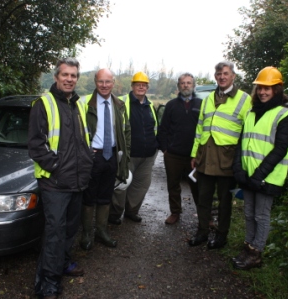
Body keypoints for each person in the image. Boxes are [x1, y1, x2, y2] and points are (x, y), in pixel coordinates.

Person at [28, 57, 93, 299]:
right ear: (56, 77)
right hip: (54, 182)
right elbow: (36, 145)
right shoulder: (42, 104)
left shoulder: (78, 104)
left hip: (76, 180)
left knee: (69, 228)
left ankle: (63, 264)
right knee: (54, 233)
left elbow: (82, 139)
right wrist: (56, 166)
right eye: (65, 75)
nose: (69, 79)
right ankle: (48, 283)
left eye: (73, 75)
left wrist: (86, 160)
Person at [232, 67, 288, 270]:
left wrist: (259, 174)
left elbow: (280, 149)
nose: (262, 92)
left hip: (267, 177)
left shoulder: (284, 115)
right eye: (260, 88)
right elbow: (242, 143)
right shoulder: (251, 113)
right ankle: (248, 248)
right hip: (249, 175)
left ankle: (256, 254)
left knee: (261, 216)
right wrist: (239, 170)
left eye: (268, 88)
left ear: (277, 89)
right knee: (249, 214)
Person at [189, 61, 252, 249]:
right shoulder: (208, 99)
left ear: (233, 76)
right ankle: (202, 233)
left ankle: (221, 237)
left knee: (225, 202)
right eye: (219, 74)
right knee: (203, 199)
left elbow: (247, 132)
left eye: (225, 73)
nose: (222, 77)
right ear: (215, 77)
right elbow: (200, 127)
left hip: (227, 159)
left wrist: (243, 160)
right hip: (205, 157)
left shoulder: (244, 99)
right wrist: (194, 154)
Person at [80, 68, 130, 250]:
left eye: (108, 81)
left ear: (113, 83)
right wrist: (85, 151)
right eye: (101, 81)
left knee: (105, 196)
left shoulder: (119, 104)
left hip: (112, 156)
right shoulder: (85, 103)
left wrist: (125, 155)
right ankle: (86, 235)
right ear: (95, 82)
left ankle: (101, 231)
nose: (104, 85)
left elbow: (126, 131)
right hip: (93, 156)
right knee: (89, 196)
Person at [108, 71, 159, 224]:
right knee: (121, 186)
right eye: (138, 84)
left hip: (148, 156)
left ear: (147, 87)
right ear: (132, 86)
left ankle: (132, 211)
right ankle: (115, 214)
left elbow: (154, 128)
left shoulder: (150, 106)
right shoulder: (122, 103)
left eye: (144, 85)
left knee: (140, 186)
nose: (141, 87)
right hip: (128, 155)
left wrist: (155, 147)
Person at [157, 73, 202, 225]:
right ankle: (175, 212)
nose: (185, 85)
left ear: (193, 85)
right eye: (182, 83)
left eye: (188, 83)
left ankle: (204, 215)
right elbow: (163, 129)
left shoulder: (201, 105)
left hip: (194, 156)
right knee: (173, 185)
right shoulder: (171, 105)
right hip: (173, 155)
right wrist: (165, 149)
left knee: (198, 187)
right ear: (178, 86)